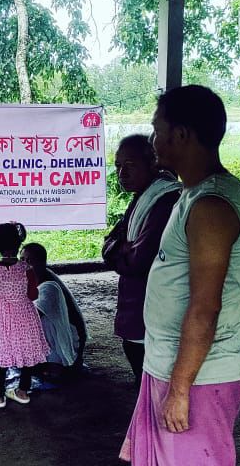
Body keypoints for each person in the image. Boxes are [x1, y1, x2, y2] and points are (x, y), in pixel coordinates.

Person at [119, 85, 240, 466]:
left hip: (198, 378)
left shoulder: (212, 206)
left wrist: (180, 389)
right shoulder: (192, 196)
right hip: (169, 365)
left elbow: (204, 307)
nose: (153, 140)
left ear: (181, 135)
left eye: (157, 128)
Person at [103, 134, 182, 388]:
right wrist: (119, 248)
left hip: (152, 313)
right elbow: (109, 244)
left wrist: (120, 250)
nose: (122, 173)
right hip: (136, 311)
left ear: (153, 162)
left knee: (154, 386)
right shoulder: (143, 197)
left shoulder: (165, 200)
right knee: (146, 384)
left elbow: (138, 262)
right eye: (117, 167)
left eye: (130, 165)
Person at [0, 222, 50, 409]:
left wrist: (4, 298)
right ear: (19, 243)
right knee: (26, 351)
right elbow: (33, 295)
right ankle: (22, 391)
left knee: (1, 353)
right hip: (24, 315)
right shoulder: (27, 269)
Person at [22, 243, 87, 375]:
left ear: (40, 262)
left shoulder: (49, 286)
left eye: (27, 260)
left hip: (69, 338)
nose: (22, 265)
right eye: (21, 260)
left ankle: (58, 363)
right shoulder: (34, 278)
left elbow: (30, 317)